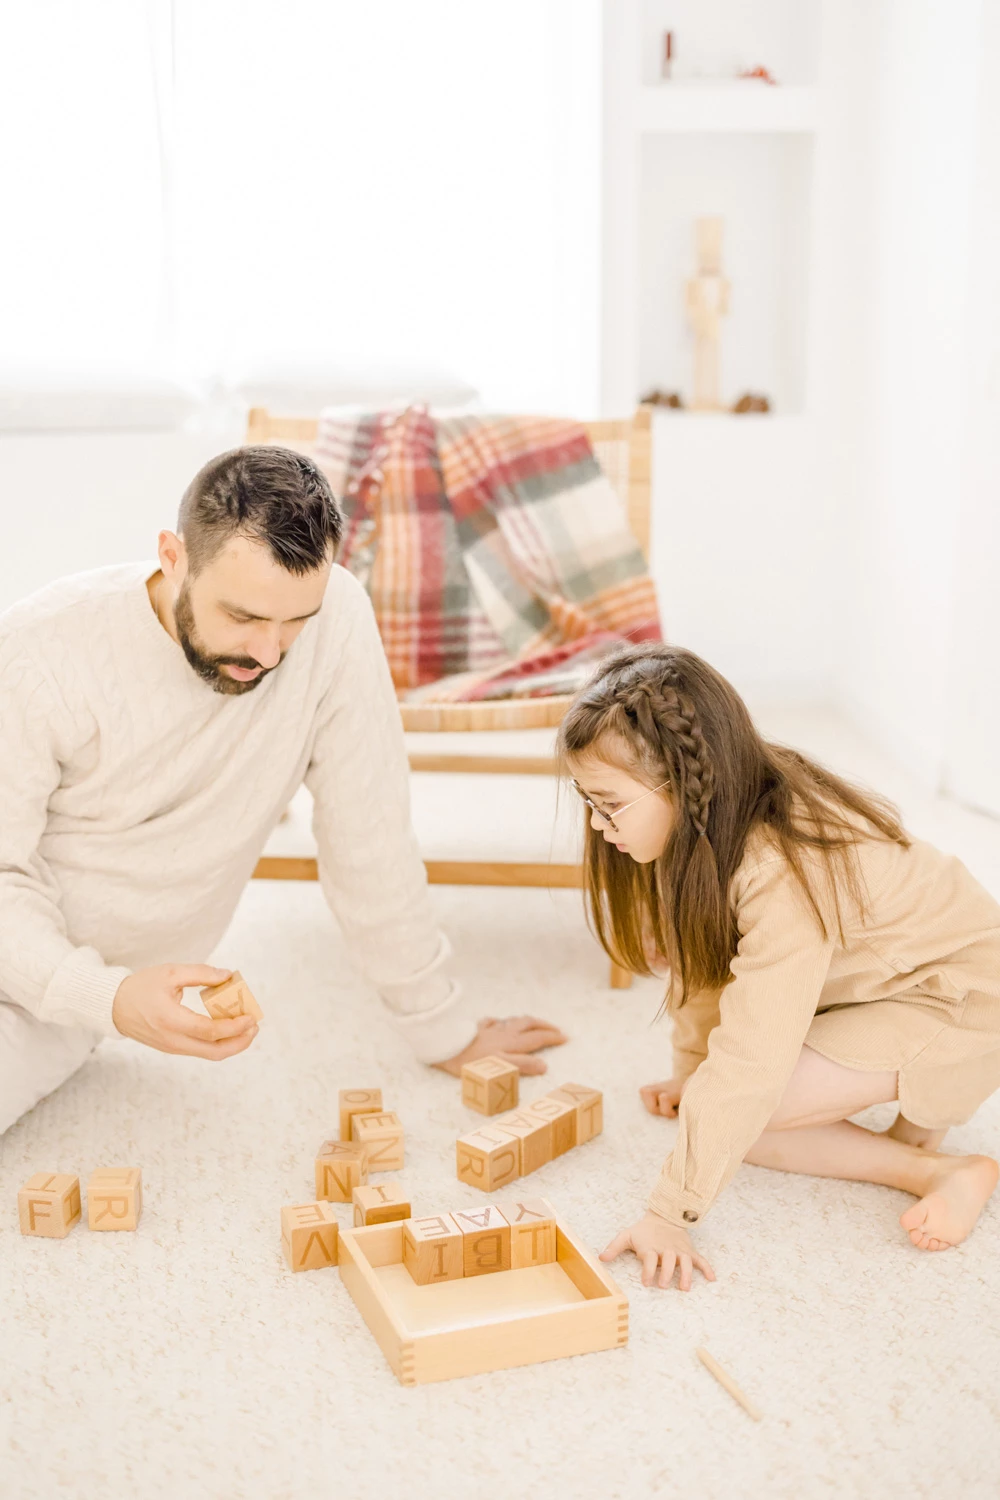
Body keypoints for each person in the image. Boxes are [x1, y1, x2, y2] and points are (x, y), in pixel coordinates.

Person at [0, 445, 565, 1134]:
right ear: (173, 557)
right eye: (242, 617)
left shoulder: (336, 623)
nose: (270, 655)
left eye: (294, 621)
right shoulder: (39, 654)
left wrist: (438, 1026)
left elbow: (370, 837)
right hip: (51, 966)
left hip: (59, 1009)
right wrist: (111, 996)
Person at [555, 643, 1000, 1292]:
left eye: (610, 804)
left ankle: (939, 1170)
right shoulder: (719, 815)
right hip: (887, 984)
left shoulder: (776, 870)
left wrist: (668, 1213)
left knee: (744, 1116)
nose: (598, 826)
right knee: (719, 1106)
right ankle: (914, 1138)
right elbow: (703, 966)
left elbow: (752, 1059)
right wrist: (691, 1075)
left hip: (960, 999)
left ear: (685, 783)